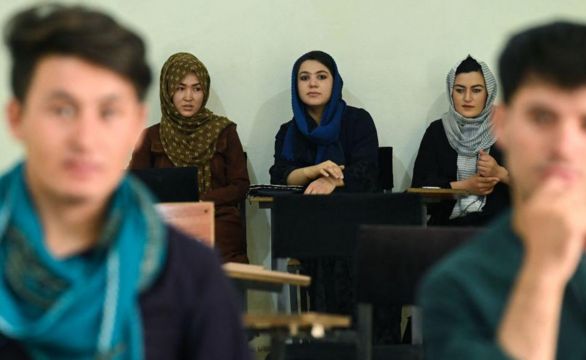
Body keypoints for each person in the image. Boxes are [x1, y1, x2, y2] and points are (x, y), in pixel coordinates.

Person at [0, 4, 251, 359]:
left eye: (108, 111)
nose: (85, 136)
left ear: (135, 124)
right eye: (62, 109)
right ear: (17, 118)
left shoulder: (193, 277)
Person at [419, 21, 586, 359]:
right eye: (541, 117)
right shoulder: (454, 287)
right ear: (503, 125)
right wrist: (543, 273)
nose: (564, 146)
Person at [129, 52, 250, 264]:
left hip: (217, 221)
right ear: (168, 90)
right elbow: (135, 187)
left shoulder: (224, 131)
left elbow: (240, 185)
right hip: (166, 224)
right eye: (180, 88)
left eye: (197, 88)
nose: (188, 97)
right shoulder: (151, 137)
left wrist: (202, 201)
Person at [412, 55, 510, 226]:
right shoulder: (437, 131)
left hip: (496, 230)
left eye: (476, 90)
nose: (467, 98)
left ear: (489, 93)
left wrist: (500, 173)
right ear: (451, 92)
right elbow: (419, 188)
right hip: (446, 228)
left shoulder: (507, 130)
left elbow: (537, 187)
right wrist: (464, 186)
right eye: (459, 90)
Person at [269, 50, 379, 194]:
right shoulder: (288, 130)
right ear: (295, 85)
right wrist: (311, 172)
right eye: (304, 78)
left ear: (335, 82)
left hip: (356, 209)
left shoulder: (357, 120)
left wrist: (330, 180)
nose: (312, 84)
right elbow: (279, 177)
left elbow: (367, 171)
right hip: (303, 210)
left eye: (321, 77)